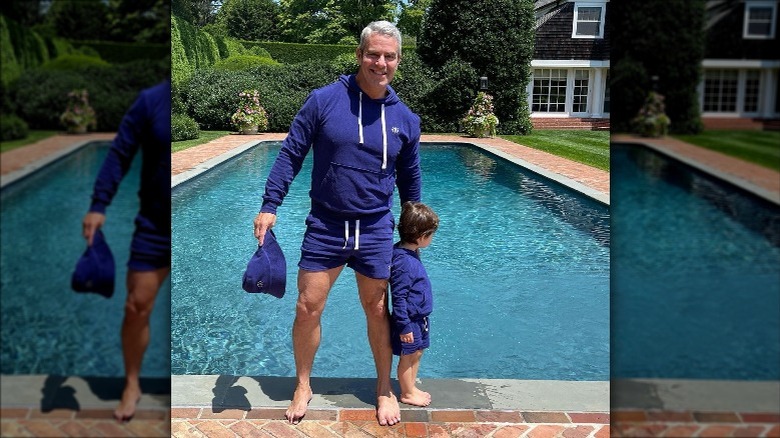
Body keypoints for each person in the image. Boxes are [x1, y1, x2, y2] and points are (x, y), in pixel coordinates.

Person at [253, 21, 421, 426]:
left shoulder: (405, 119)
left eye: (389, 56)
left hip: (376, 227)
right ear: (360, 54)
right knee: (307, 307)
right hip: (326, 225)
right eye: (373, 54)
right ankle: (303, 384)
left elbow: (410, 180)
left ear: (398, 60)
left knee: (378, 308)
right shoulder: (324, 100)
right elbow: (291, 152)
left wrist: (412, 230)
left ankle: (383, 389)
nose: (380, 63)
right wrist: (269, 204)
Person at [81, 79, 171, 423]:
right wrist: (98, 204)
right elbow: (120, 152)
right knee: (136, 306)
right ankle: (131, 383)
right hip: (154, 227)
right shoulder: (151, 100)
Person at [390, 201, 438, 407]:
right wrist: (404, 326)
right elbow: (398, 297)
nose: (432, 238)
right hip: (409, 320)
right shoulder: (404, 263)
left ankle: (411, 386)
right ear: (421, 237)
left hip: (420, 318)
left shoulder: (408, 252)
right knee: (408, 356)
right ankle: (407, 393)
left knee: (417, 352)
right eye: (431, 234)